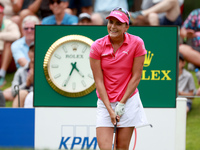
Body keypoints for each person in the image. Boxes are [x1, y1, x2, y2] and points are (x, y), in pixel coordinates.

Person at [89, 7, 148, 149]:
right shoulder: (97, 46)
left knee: (121, 147)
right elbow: (98, 80)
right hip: (105, 102)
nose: (113, 27)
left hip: (128, 101)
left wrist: (122, 103)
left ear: (126, 27)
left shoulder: (137, 43)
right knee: (104, 147)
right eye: (110, 22)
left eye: (118, 23)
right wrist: (110, 109)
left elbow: (136, 76)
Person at [0, 3, 21, 87]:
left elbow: (16, 36)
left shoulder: (9, 24)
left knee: (9, 43)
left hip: (8, 60)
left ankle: (1, 75)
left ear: (3, 15)